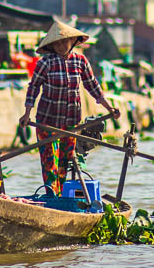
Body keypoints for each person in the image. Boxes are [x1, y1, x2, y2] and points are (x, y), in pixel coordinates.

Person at [19, 21, 120, 196]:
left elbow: (93, 87)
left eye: (63, 42)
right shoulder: (45, 63)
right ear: (51, 46)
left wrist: (110, 108)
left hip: (71, 123)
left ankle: (61, 198)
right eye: (56, 43)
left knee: (64, 163)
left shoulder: (80, 61)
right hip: (47, 123)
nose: (60, 46)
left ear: (72, 41)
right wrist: (27, 114)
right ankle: (52, 197)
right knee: (50, 164)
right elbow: (33, 88)